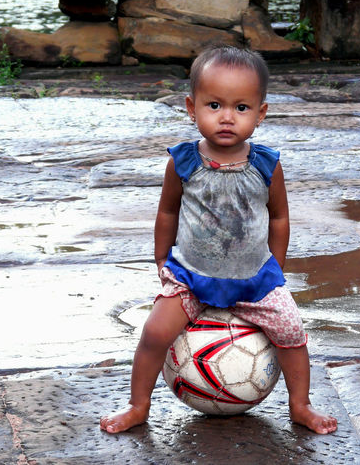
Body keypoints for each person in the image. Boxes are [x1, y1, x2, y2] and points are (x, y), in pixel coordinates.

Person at [100, 45, 337, 435]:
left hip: (255, 279)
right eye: (214, 105)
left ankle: (301, 405)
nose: (227, 117)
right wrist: (162, 257)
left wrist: (275, 265)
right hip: (192, 275)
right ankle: (138, 405)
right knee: (154, 333)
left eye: (241, 108)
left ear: (260, 113)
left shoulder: (266, 165)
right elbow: (168, 212)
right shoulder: (184, 162)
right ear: (192, 108)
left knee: (292, 334)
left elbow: (278, 217)